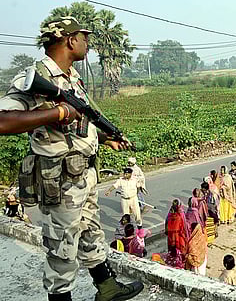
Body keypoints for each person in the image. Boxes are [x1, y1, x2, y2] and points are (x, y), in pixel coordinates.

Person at [0, 16, 143, 300]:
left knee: (91, 231)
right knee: (62, 247)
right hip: (61, 180)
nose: (87, 44)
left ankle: (106, 286)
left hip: (84, 173)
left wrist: (105, 138)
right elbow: (3, 121)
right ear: (70, 40)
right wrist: (58, 112)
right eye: (85, 38)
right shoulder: (34, 77)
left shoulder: (72, 79)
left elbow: (80, 124)